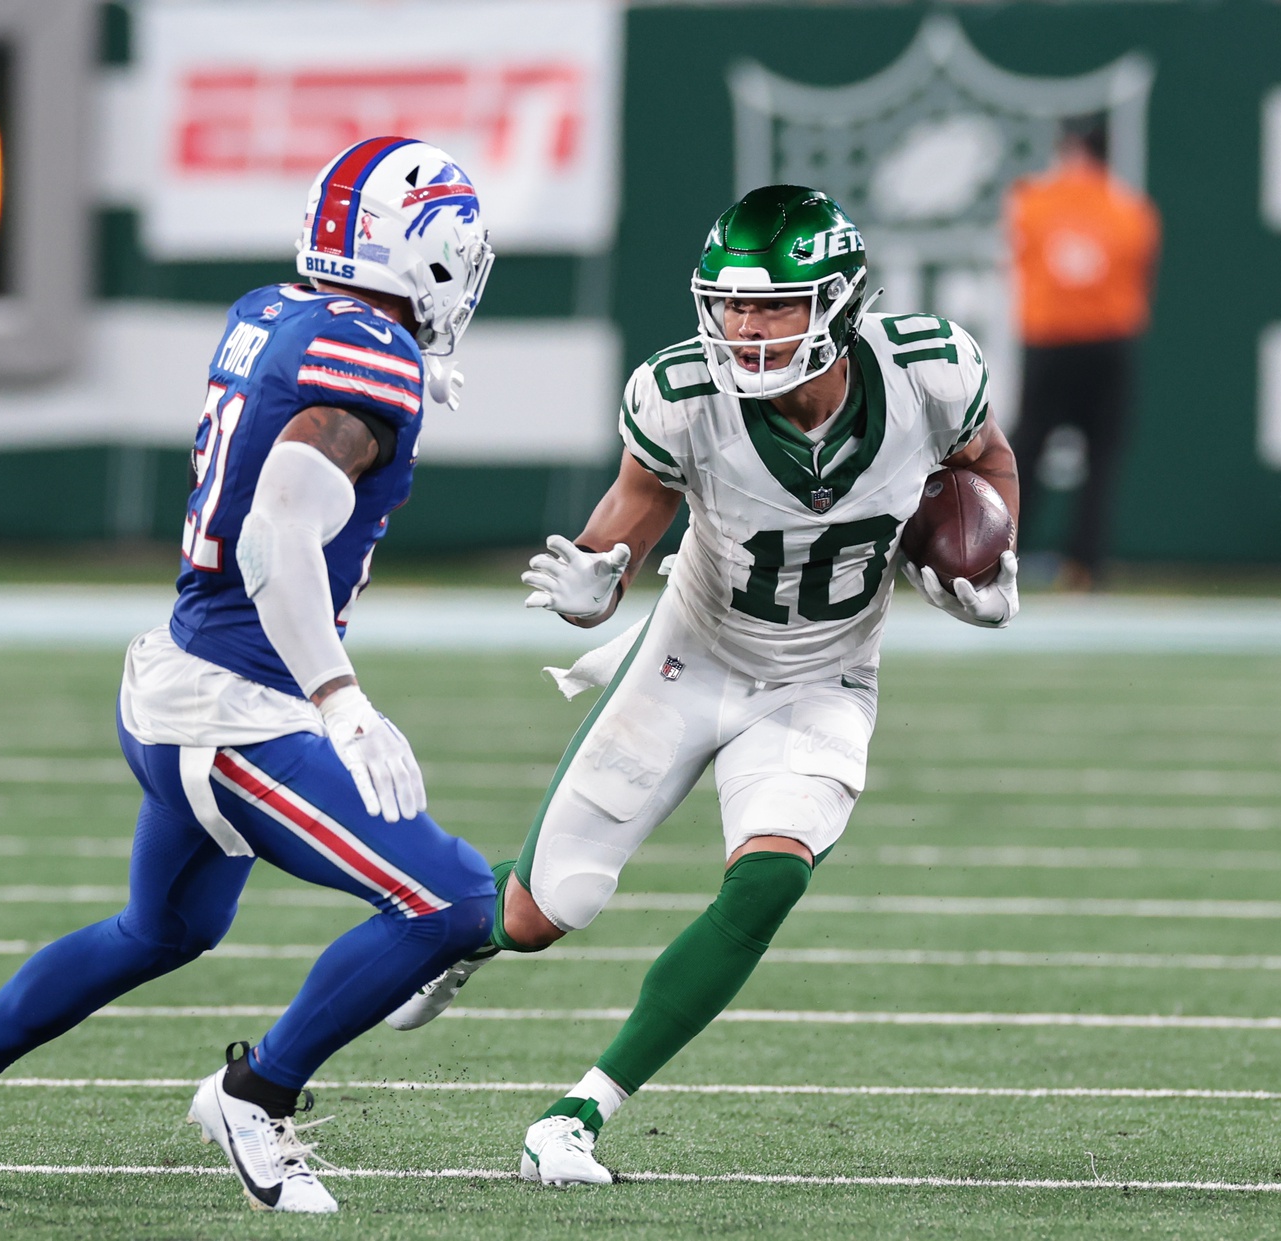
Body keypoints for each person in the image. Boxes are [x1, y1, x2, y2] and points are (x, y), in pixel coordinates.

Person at [0, 136, 499, 1214]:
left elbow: (292, 413)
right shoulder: (367, 365)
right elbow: (275, 536)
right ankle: (257, 1094)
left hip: (170, 677)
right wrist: (342, 701)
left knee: (163, 928)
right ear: (430, 257)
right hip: (232, 710)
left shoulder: (272, 310)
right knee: (451, 897)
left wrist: (399, 372)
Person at [384, 185, 1021, 1185]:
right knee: (543, 913)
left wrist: (988, 562)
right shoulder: (682, 394)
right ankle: (468, 927)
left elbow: (986, 463)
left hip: (824, 674)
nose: (746, 327)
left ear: (841, 304)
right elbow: (620, 526)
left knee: (769, 875)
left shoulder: (932, 373)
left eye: (774, 305)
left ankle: (577, 1112)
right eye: (730, 305)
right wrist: (596, 582)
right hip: (691, 656)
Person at [1005, 116, 1159, 590]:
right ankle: (1085, 569)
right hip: (1107, 346)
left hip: (1050, 343)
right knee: (1101, 461)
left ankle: (1000, 555)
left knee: (1022, 455)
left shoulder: (1031, 201)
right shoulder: (1132, 210)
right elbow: (1139, 275)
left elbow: (1019, 254)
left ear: (1069, 148)